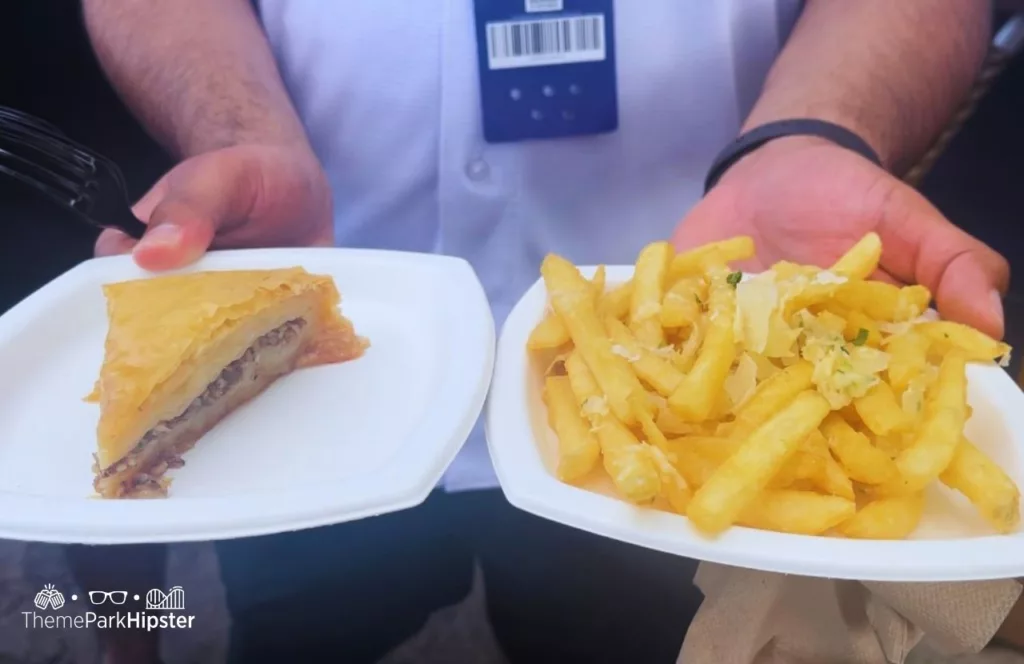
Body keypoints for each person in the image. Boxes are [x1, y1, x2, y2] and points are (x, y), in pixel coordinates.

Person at [74, 0, 1021, 662]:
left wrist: (819, 128)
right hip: (328, 375)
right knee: (296, 631)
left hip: (678, 398)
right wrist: (238, 127)